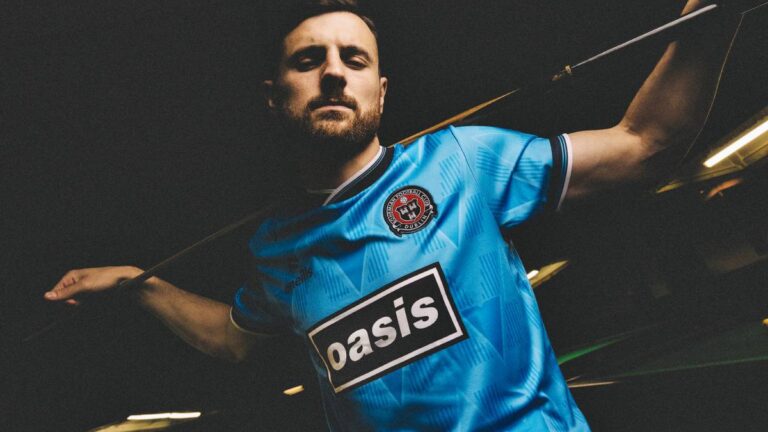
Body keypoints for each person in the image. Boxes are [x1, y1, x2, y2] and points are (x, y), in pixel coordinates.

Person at [45, 0, 743, 430]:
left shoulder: (461, 160)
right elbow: (232, 338)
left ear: (380, 90)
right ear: (273, 97)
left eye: (353, 59)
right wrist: (136, 283)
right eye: (308, 60)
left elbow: (643, 145)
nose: (332, 72)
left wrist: (713, 21)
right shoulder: (276, 249)